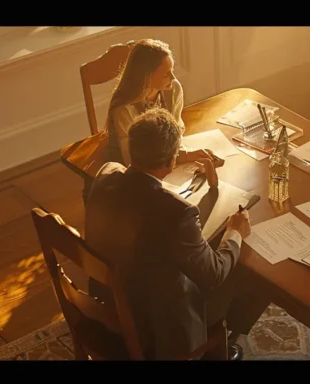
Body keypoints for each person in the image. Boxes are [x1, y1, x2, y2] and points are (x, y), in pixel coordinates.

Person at [83, 107, 270, 360]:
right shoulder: (177, 213)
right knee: (252, 271)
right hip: (160, 330)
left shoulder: (106, 173)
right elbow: (214, 274)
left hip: (111, 302)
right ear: (171, 160)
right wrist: (235, 232)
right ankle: (216, 346)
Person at [105, 38, 215, 167]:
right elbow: (132, 161)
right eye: (165, 74)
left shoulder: (173, 89)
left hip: (164, 158)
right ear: (146, 76)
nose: (173, 78)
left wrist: (185, 155)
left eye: (172, 71)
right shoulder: (124, 109)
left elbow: (176, 132)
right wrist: (182, 157)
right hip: (132, 167)